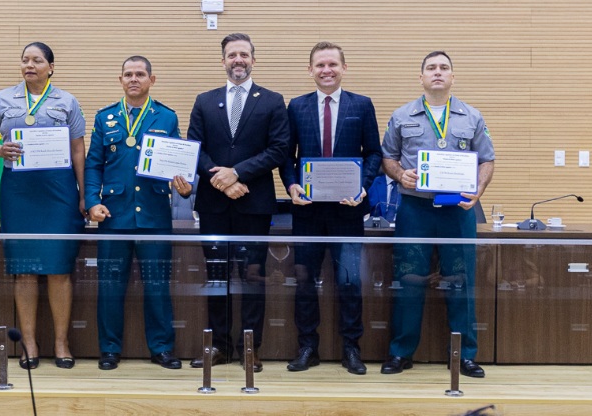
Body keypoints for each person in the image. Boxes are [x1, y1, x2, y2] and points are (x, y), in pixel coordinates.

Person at [380, 51, 495, 378]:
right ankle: (401, 352)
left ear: (452, 77)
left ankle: (465, 355)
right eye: (431, 68)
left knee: (463, 283)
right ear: (421, 77)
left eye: (444, 68)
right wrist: (400, 174)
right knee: (408, 282)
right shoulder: (402, 116)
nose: (437, 73)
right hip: (414, 210)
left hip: (457, 212)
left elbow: (487, 160)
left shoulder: (471, 117)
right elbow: (387, 157)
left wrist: (479, 189)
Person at [0, 42, 85, 370]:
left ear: (51, 67)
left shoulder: (67, 101)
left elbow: (78, 149)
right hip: (19, 193)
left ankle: (62, 343)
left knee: (59, 269)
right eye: (25, 60)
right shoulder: (3, 99)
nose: (30, 65)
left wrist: (83, 194)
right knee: (23, 269)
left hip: (59, 193)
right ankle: (29, 343)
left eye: (37, 60)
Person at [187, 33, 290, 373]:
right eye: (232, 54)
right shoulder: (204, 101)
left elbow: (278, 150)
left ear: (253, 60)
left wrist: (237, 174)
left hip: (254, 206)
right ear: (223, 61)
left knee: (252, 277)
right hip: (214, 205)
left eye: (244, 54)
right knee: (217, 278)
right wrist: (221, 181)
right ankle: (218, 345)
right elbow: (195, 148)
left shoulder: (273, 101)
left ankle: (250, 347)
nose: (238, 60)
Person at [279, 42, 381, 374]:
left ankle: (352, 348)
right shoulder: (296, 106)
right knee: (305, 280)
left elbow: (374, 154)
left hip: (347, 210)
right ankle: (308, 347)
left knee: (349, 281)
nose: (327, 70)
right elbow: (286, 156)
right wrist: (292, 185)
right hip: (307, 211)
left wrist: (362, 186)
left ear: (344, 68)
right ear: (310, 70)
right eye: (320, 65)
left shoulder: (362, 105)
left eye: (333, 64)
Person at [85, 55, 191, 371]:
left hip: (154, 215)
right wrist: (91, 202)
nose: (134, 79)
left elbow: (178, 163)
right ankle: (109, 349)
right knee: (110, 285)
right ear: (121, 80)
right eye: (128, 74)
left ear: (151, 80)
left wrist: (184, 186)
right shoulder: (105, 119)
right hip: (114, 215)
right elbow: (93, 164)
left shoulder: (166, 117)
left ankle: (161, 349)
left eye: (140, 74)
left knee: (157, 285)